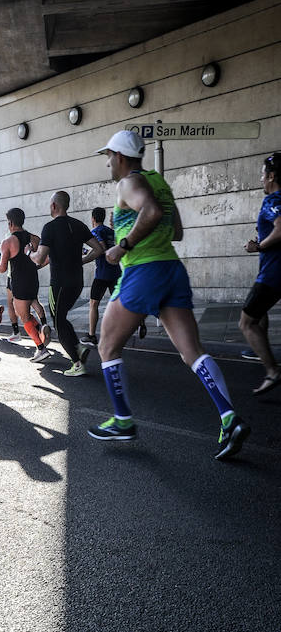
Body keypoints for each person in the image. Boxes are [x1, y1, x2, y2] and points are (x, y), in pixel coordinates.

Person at [87, 130, 249, 461]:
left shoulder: (128, 183)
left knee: (106, 345)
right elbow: (176, 230)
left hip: (143, 271)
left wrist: (123, 245)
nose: (107, 163)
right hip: (171, 271)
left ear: (120, 157)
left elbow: (152, 213)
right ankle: (229, 418)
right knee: (193, 353)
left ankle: (122, 421)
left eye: (108, 157)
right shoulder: (159, 182)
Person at [31, 190, 103, 375]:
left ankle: (77, 363)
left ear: (54, 205)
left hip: (59, 284)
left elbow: (39, 259)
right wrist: (80, 261)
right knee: (61, 318)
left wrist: (27, 253)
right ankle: (78, 347)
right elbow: (98, 249)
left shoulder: (49, 228)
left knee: (57, 321)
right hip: (76, 282)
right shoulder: (78, 225)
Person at [239, 152, 281, 395]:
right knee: (260, 313)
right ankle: (260, 349)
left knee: (246, 322)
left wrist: (259, 246)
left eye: (263, 176)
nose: (261, 180)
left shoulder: (274, 199)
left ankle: (273, 371)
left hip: (273, 273)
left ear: (272, 176)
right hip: (273, 271)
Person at [0, 207, 50, 362]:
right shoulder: (34, 238)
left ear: (10, 222)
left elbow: (3, 268)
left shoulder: (8, 241)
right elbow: (44, 259)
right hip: (33, 280)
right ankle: (42, 328)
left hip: (19, 282)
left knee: (23, 316)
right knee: (33, 304)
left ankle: (41, 348)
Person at [80, 207, 121, 347]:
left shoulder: (96, 231)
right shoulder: (111, 231)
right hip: (115, 271)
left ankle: (91, 336)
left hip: (103, 273)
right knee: (120, 302)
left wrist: (83, 260)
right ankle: (137, 324)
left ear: (93, 218)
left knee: (93, 303)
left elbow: (101, 248)